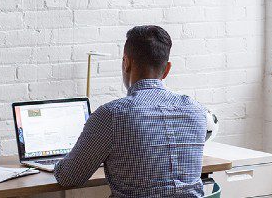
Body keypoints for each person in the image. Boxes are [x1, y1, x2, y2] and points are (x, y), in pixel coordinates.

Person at [54, 25, 207, 197]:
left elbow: (69, 177)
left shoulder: (111, 115)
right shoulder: (197, 111)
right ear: (167, 69)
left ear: (126, 63)